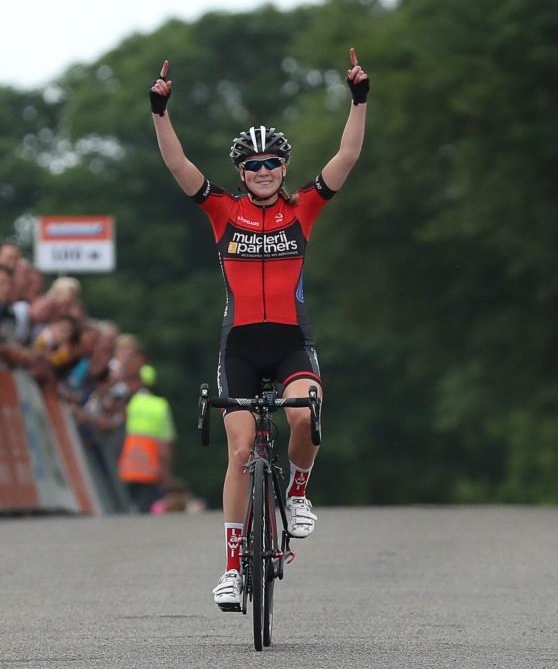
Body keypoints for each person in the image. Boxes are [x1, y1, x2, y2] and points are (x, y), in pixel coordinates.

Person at [148, 48, 369, 608]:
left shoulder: (304, 208)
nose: (264, 171)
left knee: (304, 415)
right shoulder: (223, 210)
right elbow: (177, 167)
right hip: (240, 347)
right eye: (253, 165)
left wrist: (359, 100)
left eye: (272, 163)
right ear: (241, 172)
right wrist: (160, 113)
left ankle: (297, 495)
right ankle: (229, 568)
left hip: (293, 342)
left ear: (284, 168)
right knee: (242, 449)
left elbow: (347, 155)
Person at [117, 363, 177, 514]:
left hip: (128, 464)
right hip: (150, 467)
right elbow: (165, 443)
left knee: (128, 506)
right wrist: (167, 473)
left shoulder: (129, 403)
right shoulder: (160, 405)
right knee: (146, 510)